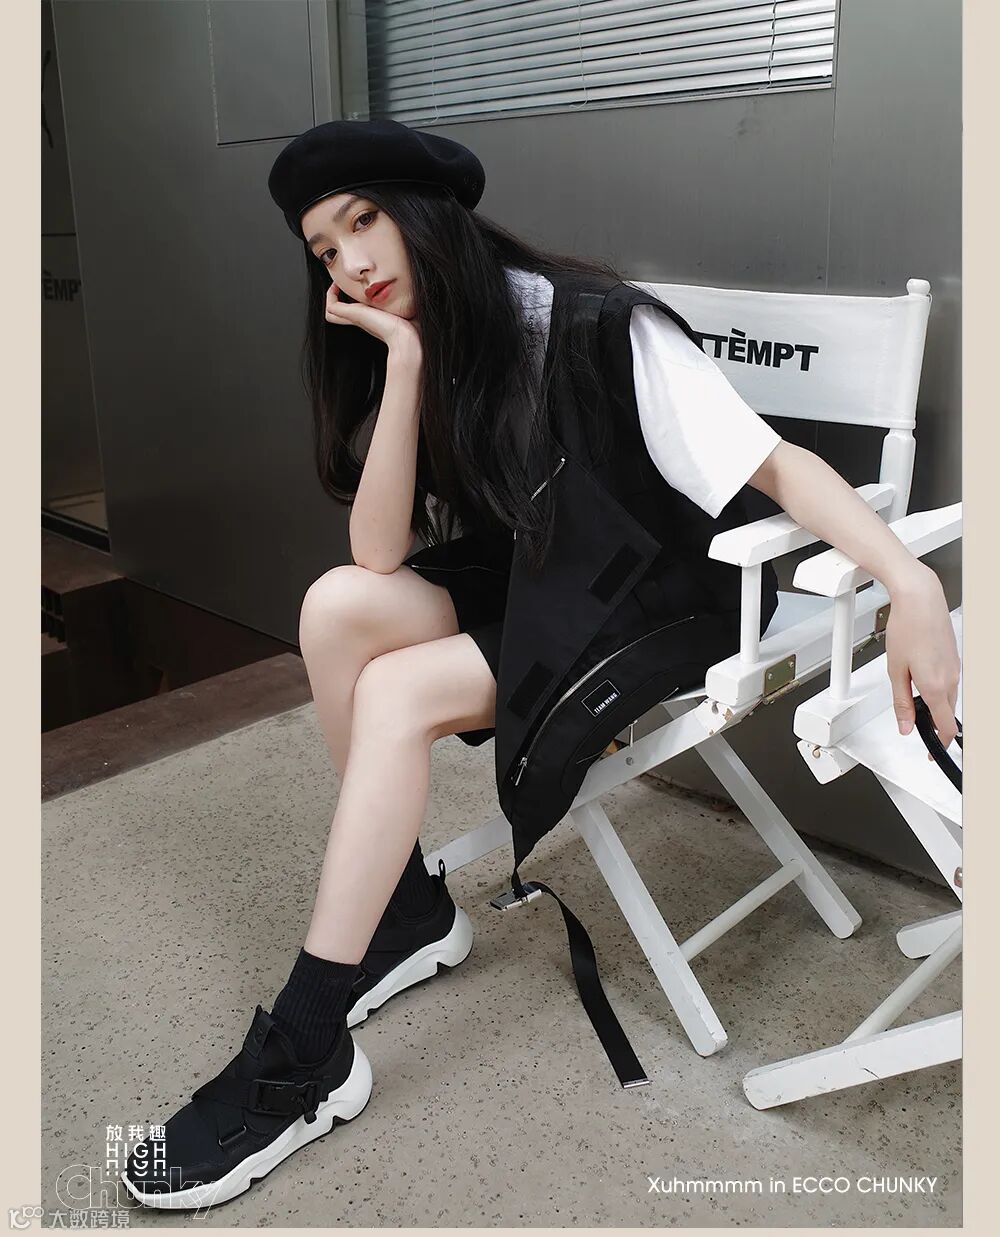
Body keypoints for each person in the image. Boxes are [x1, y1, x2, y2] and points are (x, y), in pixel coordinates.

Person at [121, 120, 961, 1210]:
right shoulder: (438, 331)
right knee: (335, 609)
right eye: (324, 249)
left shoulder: (599, 325)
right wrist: (405, 363)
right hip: (542, 573)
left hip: (649, 594)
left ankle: (305, 1049)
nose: (351, 263)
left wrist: (912, 583)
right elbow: (375, 556)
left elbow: (779, 466)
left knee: (395, 690)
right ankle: (406, 913)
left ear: (424, 213)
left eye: (364, 222)